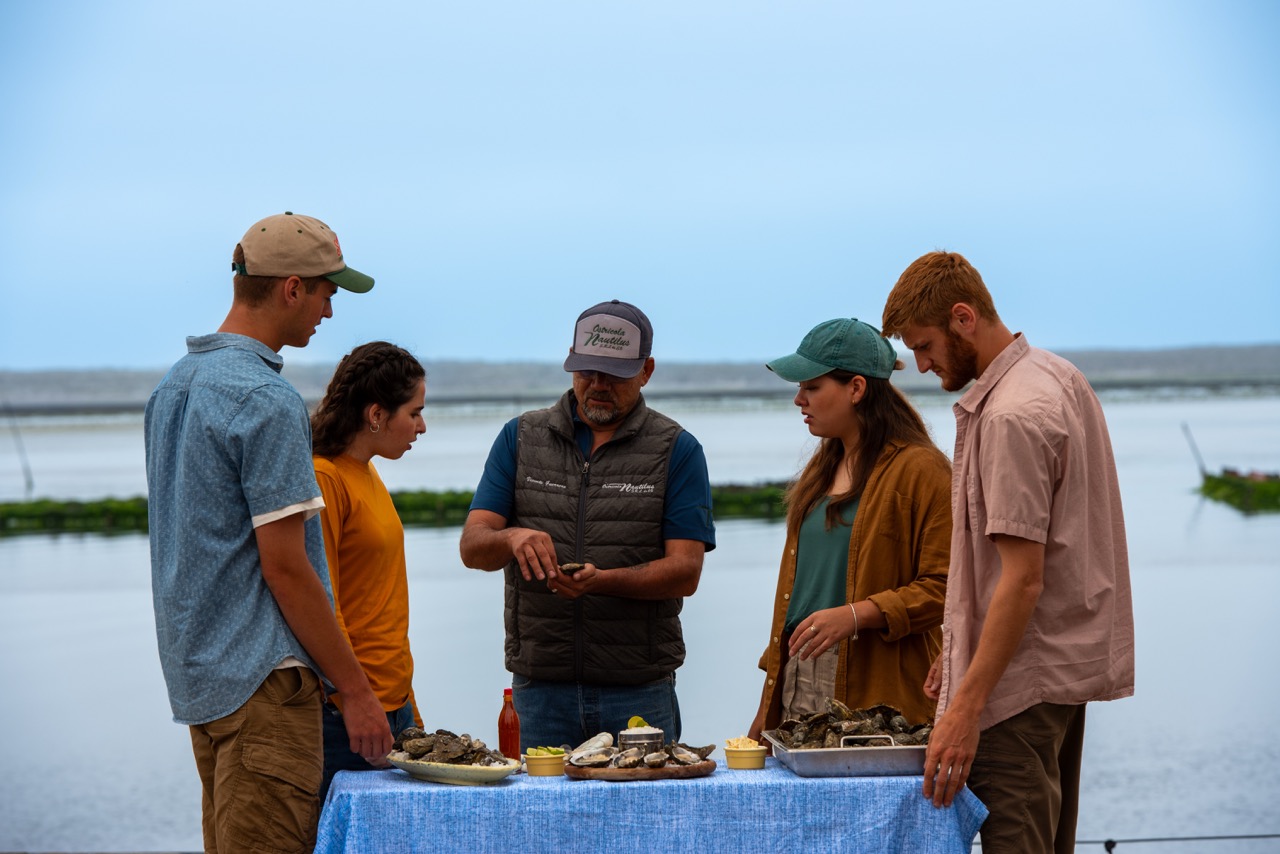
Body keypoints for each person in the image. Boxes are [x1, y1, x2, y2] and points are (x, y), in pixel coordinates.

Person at [145, 212, 393, 853]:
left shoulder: (173, 387)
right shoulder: (265, 398)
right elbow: (285, 567)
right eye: (327, 293)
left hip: (201, 684)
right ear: (292, 288)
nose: (329, 311)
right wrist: (357, 692)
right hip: (266, 685)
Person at [881, 251, 1135, 853]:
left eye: (925, 346)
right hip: (1056, 679)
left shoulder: (1010, 416)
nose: (922, 365)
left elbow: (1022, 579)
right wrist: (958, 643)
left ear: (963, 318)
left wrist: (965, 707)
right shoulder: (1058, 376)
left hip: (1016, 690)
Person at [459, 299, 717, 750]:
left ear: (646, 371)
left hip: (640, 690)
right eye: (586, 371)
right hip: (538, 691)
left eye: (614, 374)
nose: (597, 385)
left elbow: (685, 572)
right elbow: (472, 547)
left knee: (645, 801)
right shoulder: (519, 438)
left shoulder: (678, 450)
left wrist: (603, 582)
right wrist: (512, 537)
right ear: (570, 362)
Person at [748, 318, 951, 743]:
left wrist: (857, 615)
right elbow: (801, 596)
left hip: (875, 689)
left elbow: (946, 589)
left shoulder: (924, 470)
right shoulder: (820, 470)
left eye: (812, 387)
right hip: (798, 676)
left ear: (856, 388)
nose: (799, 399)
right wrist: (768, 704)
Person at [310, 341, 428, 802]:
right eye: (414, 413)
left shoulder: (368, 472)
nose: (422, 426)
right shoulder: (326, 477)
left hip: (393, 709)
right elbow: (323, 603)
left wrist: (409, 708)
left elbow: (381, 603)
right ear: (376, 414)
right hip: (350, 718)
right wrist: (353, 700)